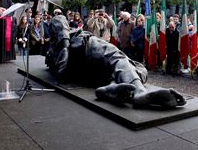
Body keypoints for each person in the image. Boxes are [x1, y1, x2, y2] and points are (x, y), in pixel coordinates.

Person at [45, 15, 186, 108]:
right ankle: (139, 92)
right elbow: (58, 18)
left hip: (86, 73)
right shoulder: (61, 44)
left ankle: (110, 88)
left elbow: (59, 70)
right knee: (119, 60)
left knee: (139, 67)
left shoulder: (52, 55)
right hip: (85, 48)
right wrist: (64, 44)